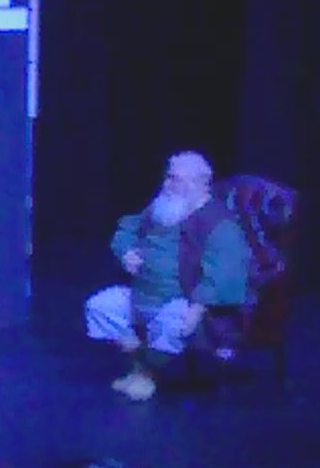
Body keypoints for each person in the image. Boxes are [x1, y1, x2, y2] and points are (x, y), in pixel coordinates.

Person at [85, 151, 250, 402]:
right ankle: (140, 364)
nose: (166, 184)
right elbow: (128, 228)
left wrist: (197, 308)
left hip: (183, 301)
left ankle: (148, 375)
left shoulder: (219, 224)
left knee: (173, 323)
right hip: (141, 295)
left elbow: (223, 274)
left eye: (175, 179)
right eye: (167, 177)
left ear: (199, 183)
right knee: (100, 307)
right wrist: (126, 251)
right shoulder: (162, 207)